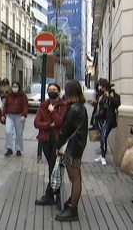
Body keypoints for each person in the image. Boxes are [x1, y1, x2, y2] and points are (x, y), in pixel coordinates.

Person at [54, 80, 88, 222]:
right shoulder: (80, 107)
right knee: (76, 177)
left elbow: (65, 130)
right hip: (77, 146)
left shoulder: (74, 109)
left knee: (75, 179)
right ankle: (71, 204)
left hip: (71, 147)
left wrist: (58, 146)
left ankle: (73, 209)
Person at [34, 83, 68, 207]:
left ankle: (51, 194)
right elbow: (37, 122)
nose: (51, 91)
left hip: (57, 140)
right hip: (45, 139)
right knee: (52, 166)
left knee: (54, 167)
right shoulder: (43, 106)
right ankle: (55, 194)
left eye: (54, 90)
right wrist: (49, 125)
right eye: (49, 90)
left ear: (59, 92)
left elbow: (60, 122)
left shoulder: (63, 106)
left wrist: (53, 112)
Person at [94, 79, 120, 166]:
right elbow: (99, 106)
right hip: (101, 119)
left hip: (108, 119)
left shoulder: (114, 95)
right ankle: (102, 155)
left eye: (101, 86)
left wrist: (109, 97)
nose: (100, 87)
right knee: (101, 137)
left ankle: (103, 156)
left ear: (105, 87)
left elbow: (117, 103)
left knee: (103, 136)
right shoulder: (101, 95)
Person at [2, 82, 28, 156]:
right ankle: (9, 148)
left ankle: (18, 149)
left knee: (19, 133)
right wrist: (3, 114)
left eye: (16, 86)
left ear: (19, 87)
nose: (14, 88)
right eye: (13, 86)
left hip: (19, 116)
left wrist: (24, 115)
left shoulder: (22, 96)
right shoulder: (9, 95)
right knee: (8, 131)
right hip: (10, 115)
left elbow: (25, 106)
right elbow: (5, 105)